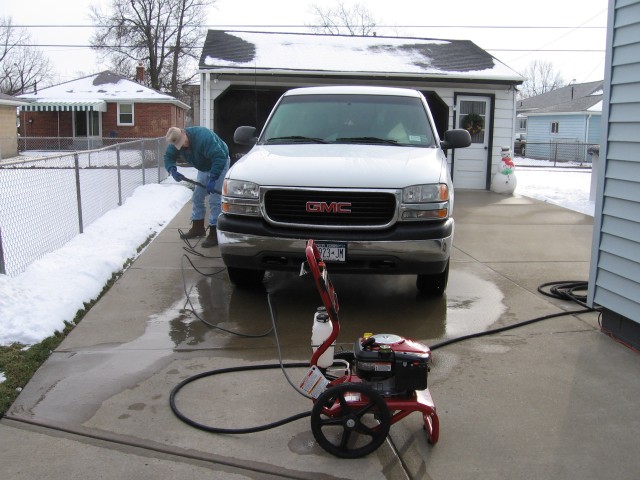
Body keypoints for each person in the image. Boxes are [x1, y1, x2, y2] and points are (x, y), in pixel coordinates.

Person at [164, 126, 230, 247]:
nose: (183, 146)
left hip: (219, 162)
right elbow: (168, 157)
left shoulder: (203, 137)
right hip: (203, 167)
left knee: (215, 200)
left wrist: (213, 178)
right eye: (179, 145)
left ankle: (215, 233)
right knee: (197, 197)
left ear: (184, 133)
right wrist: (172, 169)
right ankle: (198, 228)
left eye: (183, 142)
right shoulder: (175, 141)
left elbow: (219, 157)